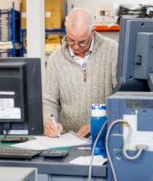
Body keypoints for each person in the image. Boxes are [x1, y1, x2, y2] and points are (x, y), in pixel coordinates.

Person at [43, 8, 118, 138]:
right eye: (71, 40)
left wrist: (101, 123)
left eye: (82, 42)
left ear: (92, 32)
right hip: (69, 138)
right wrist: (50, 123)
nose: (76, 46)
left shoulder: (113, 50)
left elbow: (121, 98)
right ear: (66, 30)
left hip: (106, 136)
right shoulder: (55, 58)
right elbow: (49, 101)